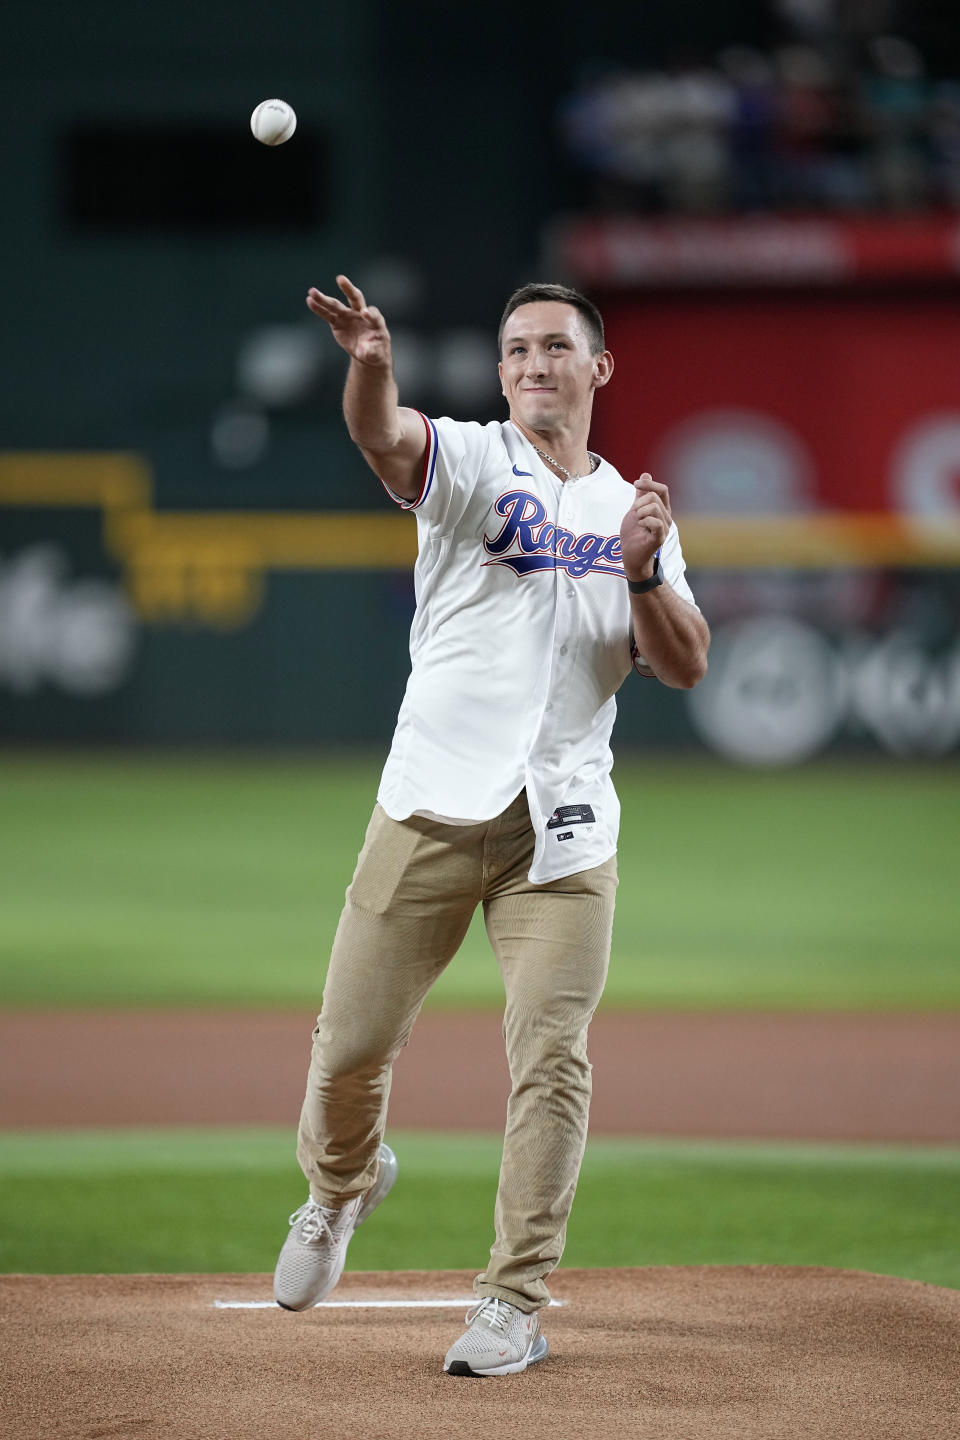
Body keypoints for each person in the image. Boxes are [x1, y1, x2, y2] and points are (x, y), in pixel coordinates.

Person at [273, 273, 710, 1376]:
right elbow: (386, 443)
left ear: (598, 367)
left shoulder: (632, 512)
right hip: (428, 804)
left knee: (551, 1058)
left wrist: (647, 567)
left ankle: (513, 1301)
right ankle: (342, 1186)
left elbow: (685, 662)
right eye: (515, 350)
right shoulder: (472, 462)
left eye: (555, 348)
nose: (531, 366)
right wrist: (371, 365)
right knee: (348, 1054)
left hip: (561, 836)